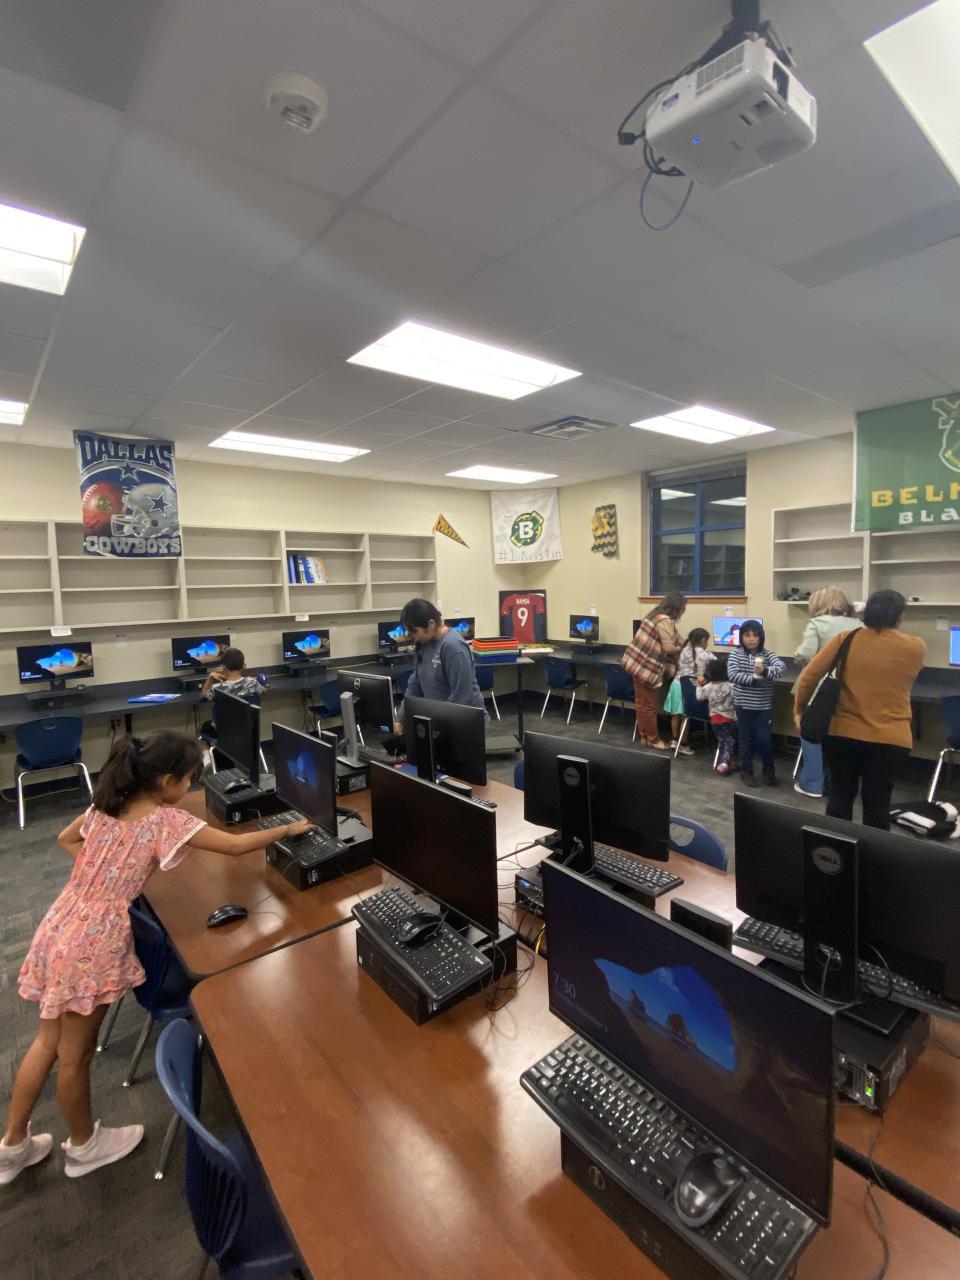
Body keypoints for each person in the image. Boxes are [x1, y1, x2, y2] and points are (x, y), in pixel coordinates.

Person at [0, 731, 309, 1185]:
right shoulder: (165, 820)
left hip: (63, 920)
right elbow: (236, 846)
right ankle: (84, 1147)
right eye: (188, 780)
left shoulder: (107, 804)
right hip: (92, 945)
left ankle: (12, 1146)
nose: (189, 787)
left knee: (47, 1042)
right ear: (167, 782)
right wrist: (289, 828)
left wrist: (105, 878)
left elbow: (66, 838)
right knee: (75, 1054)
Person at [794, 590, 925, 830]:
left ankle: (836, 848)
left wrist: (799, 709)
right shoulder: (916, 646)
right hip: (891, 738)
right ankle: (874, 851)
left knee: (840, 796)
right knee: (878, 803)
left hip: (844, 732)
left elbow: (808, 677)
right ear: (900, 617)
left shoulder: (846, 639)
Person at [792, 587, 861, 799]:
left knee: (810, 733)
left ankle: (812, 784)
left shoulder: (817, 624)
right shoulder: (859, 625)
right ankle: (835, 784)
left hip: (820, 688)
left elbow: (804, 653)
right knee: (838, 735)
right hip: (850, 690)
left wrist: (800, 658)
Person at [393, 598, 486, 729]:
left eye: (414, 631)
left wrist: (439, 725)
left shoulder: (453, 647)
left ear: (431, 624)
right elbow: (415, 684)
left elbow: (461, 696)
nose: (412, 636)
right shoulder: (425, 643)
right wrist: (401, 718)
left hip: (465, 722)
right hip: (441, 719)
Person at [728, 620, 785, 786]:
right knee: (745, 740)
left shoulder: (767, 655)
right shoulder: (736, 654)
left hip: (763, 707)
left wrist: (765, 671)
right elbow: (733, 675)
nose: (751, 639)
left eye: (755, 635)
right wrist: (755, 679)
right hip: (743, 705)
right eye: (747, 635)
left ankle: (769, 772)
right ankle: (747, 772)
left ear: (761, 637)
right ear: (741, 637)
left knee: (764, 741)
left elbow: (781, 668)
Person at [629, 593, 686, 750]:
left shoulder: (653, 616)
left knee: (641, 704)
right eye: (683, 609)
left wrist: (687, 643)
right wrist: (681, 649)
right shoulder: (665, 620)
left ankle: (644, 736)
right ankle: (654, 740)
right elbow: (669, 648)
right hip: (647, 668)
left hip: (635, 664)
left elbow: (676, 637)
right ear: (677, 608)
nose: (683, 612)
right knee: (649, 706)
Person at [667, 627, 711, 756]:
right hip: (690, 689)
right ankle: (683, 744)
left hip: (676, 685)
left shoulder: (684, 650)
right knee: (686, 716)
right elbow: (711, 667)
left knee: (675, 715)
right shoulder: (704, 655)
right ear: (703, 640)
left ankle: (674, 740)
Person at [696, 656, 738, 775]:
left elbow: (699, 697)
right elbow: (738, 699)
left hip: (714, 719)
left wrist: (699, 685)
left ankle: (724, 762)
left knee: (722, 741)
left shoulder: (708, 687)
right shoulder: (730, 686)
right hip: (728, 719)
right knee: (730, 741)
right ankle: (724, 764)